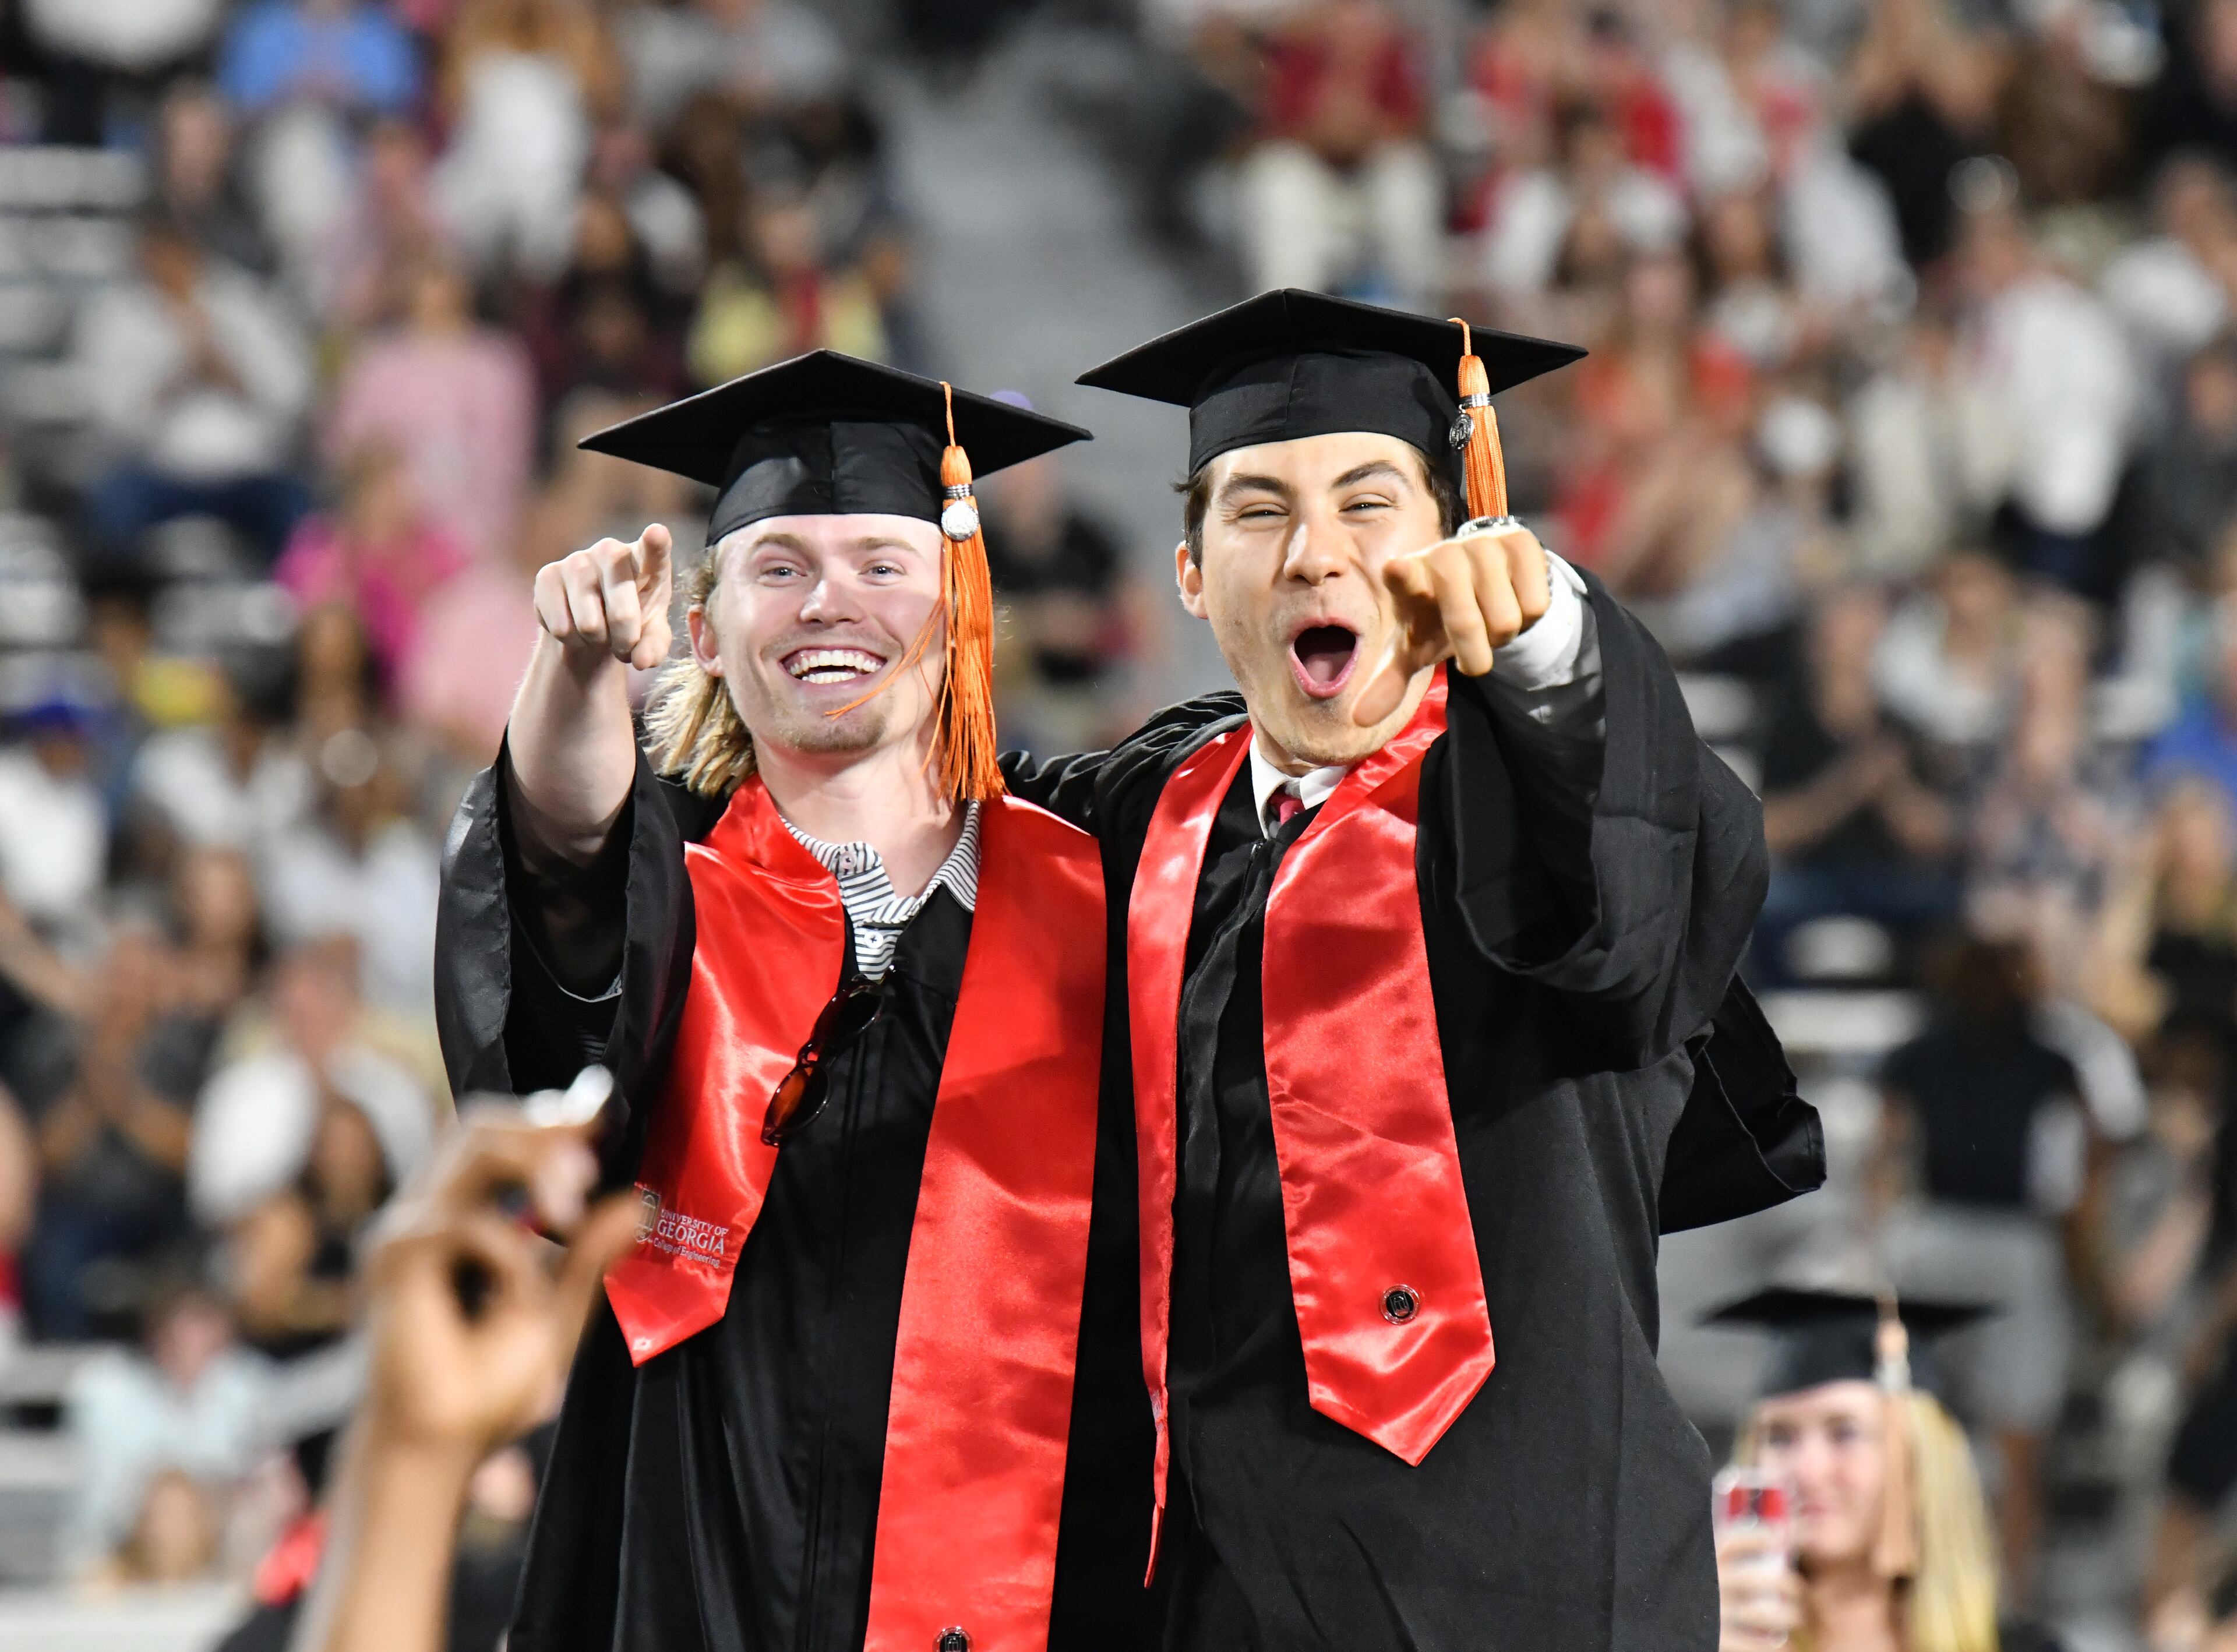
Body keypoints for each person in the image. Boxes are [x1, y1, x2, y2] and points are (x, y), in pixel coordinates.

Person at [1001, 289, 1823, 1648]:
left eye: (1368, 503)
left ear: (1454, 543)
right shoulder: (1143, 818)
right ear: (1191, 574)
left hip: (1522, 1588)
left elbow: (1651, 877)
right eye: (1257, 511)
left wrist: (1552, 639)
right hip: (1192, 1584)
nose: (1314, 553)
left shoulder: (1534, 794)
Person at [433, 351, 1152, 1651]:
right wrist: (582, 675)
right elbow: (558, 918)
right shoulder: (672, 902)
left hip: (1044, 1584)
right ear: (704, 632)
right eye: (779, 567)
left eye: (882, 563)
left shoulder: (1102, 897)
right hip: (696, 1582)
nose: (832, 602)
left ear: (963, 603)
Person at [1707, 1285, 2066, 1652]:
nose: (1808, 1470)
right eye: (1780, 1437)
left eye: (1844, 1433)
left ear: (1916, 1458)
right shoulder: (1712, 1638)